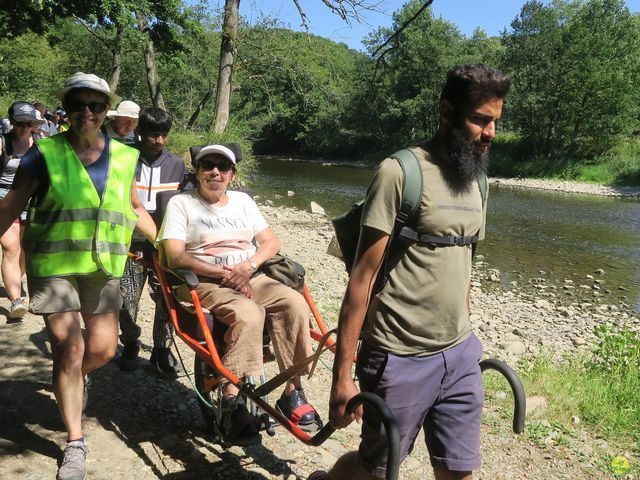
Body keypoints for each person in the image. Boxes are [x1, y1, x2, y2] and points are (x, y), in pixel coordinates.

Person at [316, 64, 512, 480]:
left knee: (458, 471)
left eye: (495, 121)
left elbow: (464, 260)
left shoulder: (479, 181)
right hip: (398, 355)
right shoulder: (400, 173)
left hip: (459, 353)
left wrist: (464, 323)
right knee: (376, 468)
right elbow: (361, 279)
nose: (490, 132)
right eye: (480, 120)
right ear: (447, 111)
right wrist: (342, 377)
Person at [0, 72, 156, 480]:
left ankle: (70, 380)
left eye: (95, 105)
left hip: (103, 267)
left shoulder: (125, 155)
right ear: (65, 108)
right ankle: (74, 441)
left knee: (103, 349)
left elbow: (135, 207)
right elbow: (10, 206)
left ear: (107, 110)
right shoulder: (43, 154)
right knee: (69, 346)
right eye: (77, 104)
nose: (86, 112)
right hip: (53, 268)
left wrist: (172, 249)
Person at [158, 144, 321, 444]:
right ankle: (231, 399)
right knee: (250, 313)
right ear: (197, 171)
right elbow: (175, 257)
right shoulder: (181, 204)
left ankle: (291, 390)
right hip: (207, 280)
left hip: (250, 275)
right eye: (208, 165)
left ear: (232, 174)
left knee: (294, 303)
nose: (215, 172)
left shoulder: (243, 202)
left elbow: (271, 242)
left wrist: (249, 266)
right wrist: (225, 273)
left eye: (223, 167)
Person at [118, 106, 185, 374]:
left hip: (165, 243)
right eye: (153, 134)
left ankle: (161, 349)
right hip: (130, 242)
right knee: (126, 299)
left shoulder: (177, 165)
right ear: (140, 131)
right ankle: (131, 342)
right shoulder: (124, 160)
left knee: (168, 299)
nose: (158, 140)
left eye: (164, 135)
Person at [0, 102, 45, 319]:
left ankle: (17, 281)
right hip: (4, 198)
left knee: (25, 248)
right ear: (12, 122)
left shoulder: (41, 143)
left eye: (30, 123)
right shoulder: (2, 143)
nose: (25, 128)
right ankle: (16, 300)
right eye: (20, 123)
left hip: (32, 199)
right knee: (11, 247)